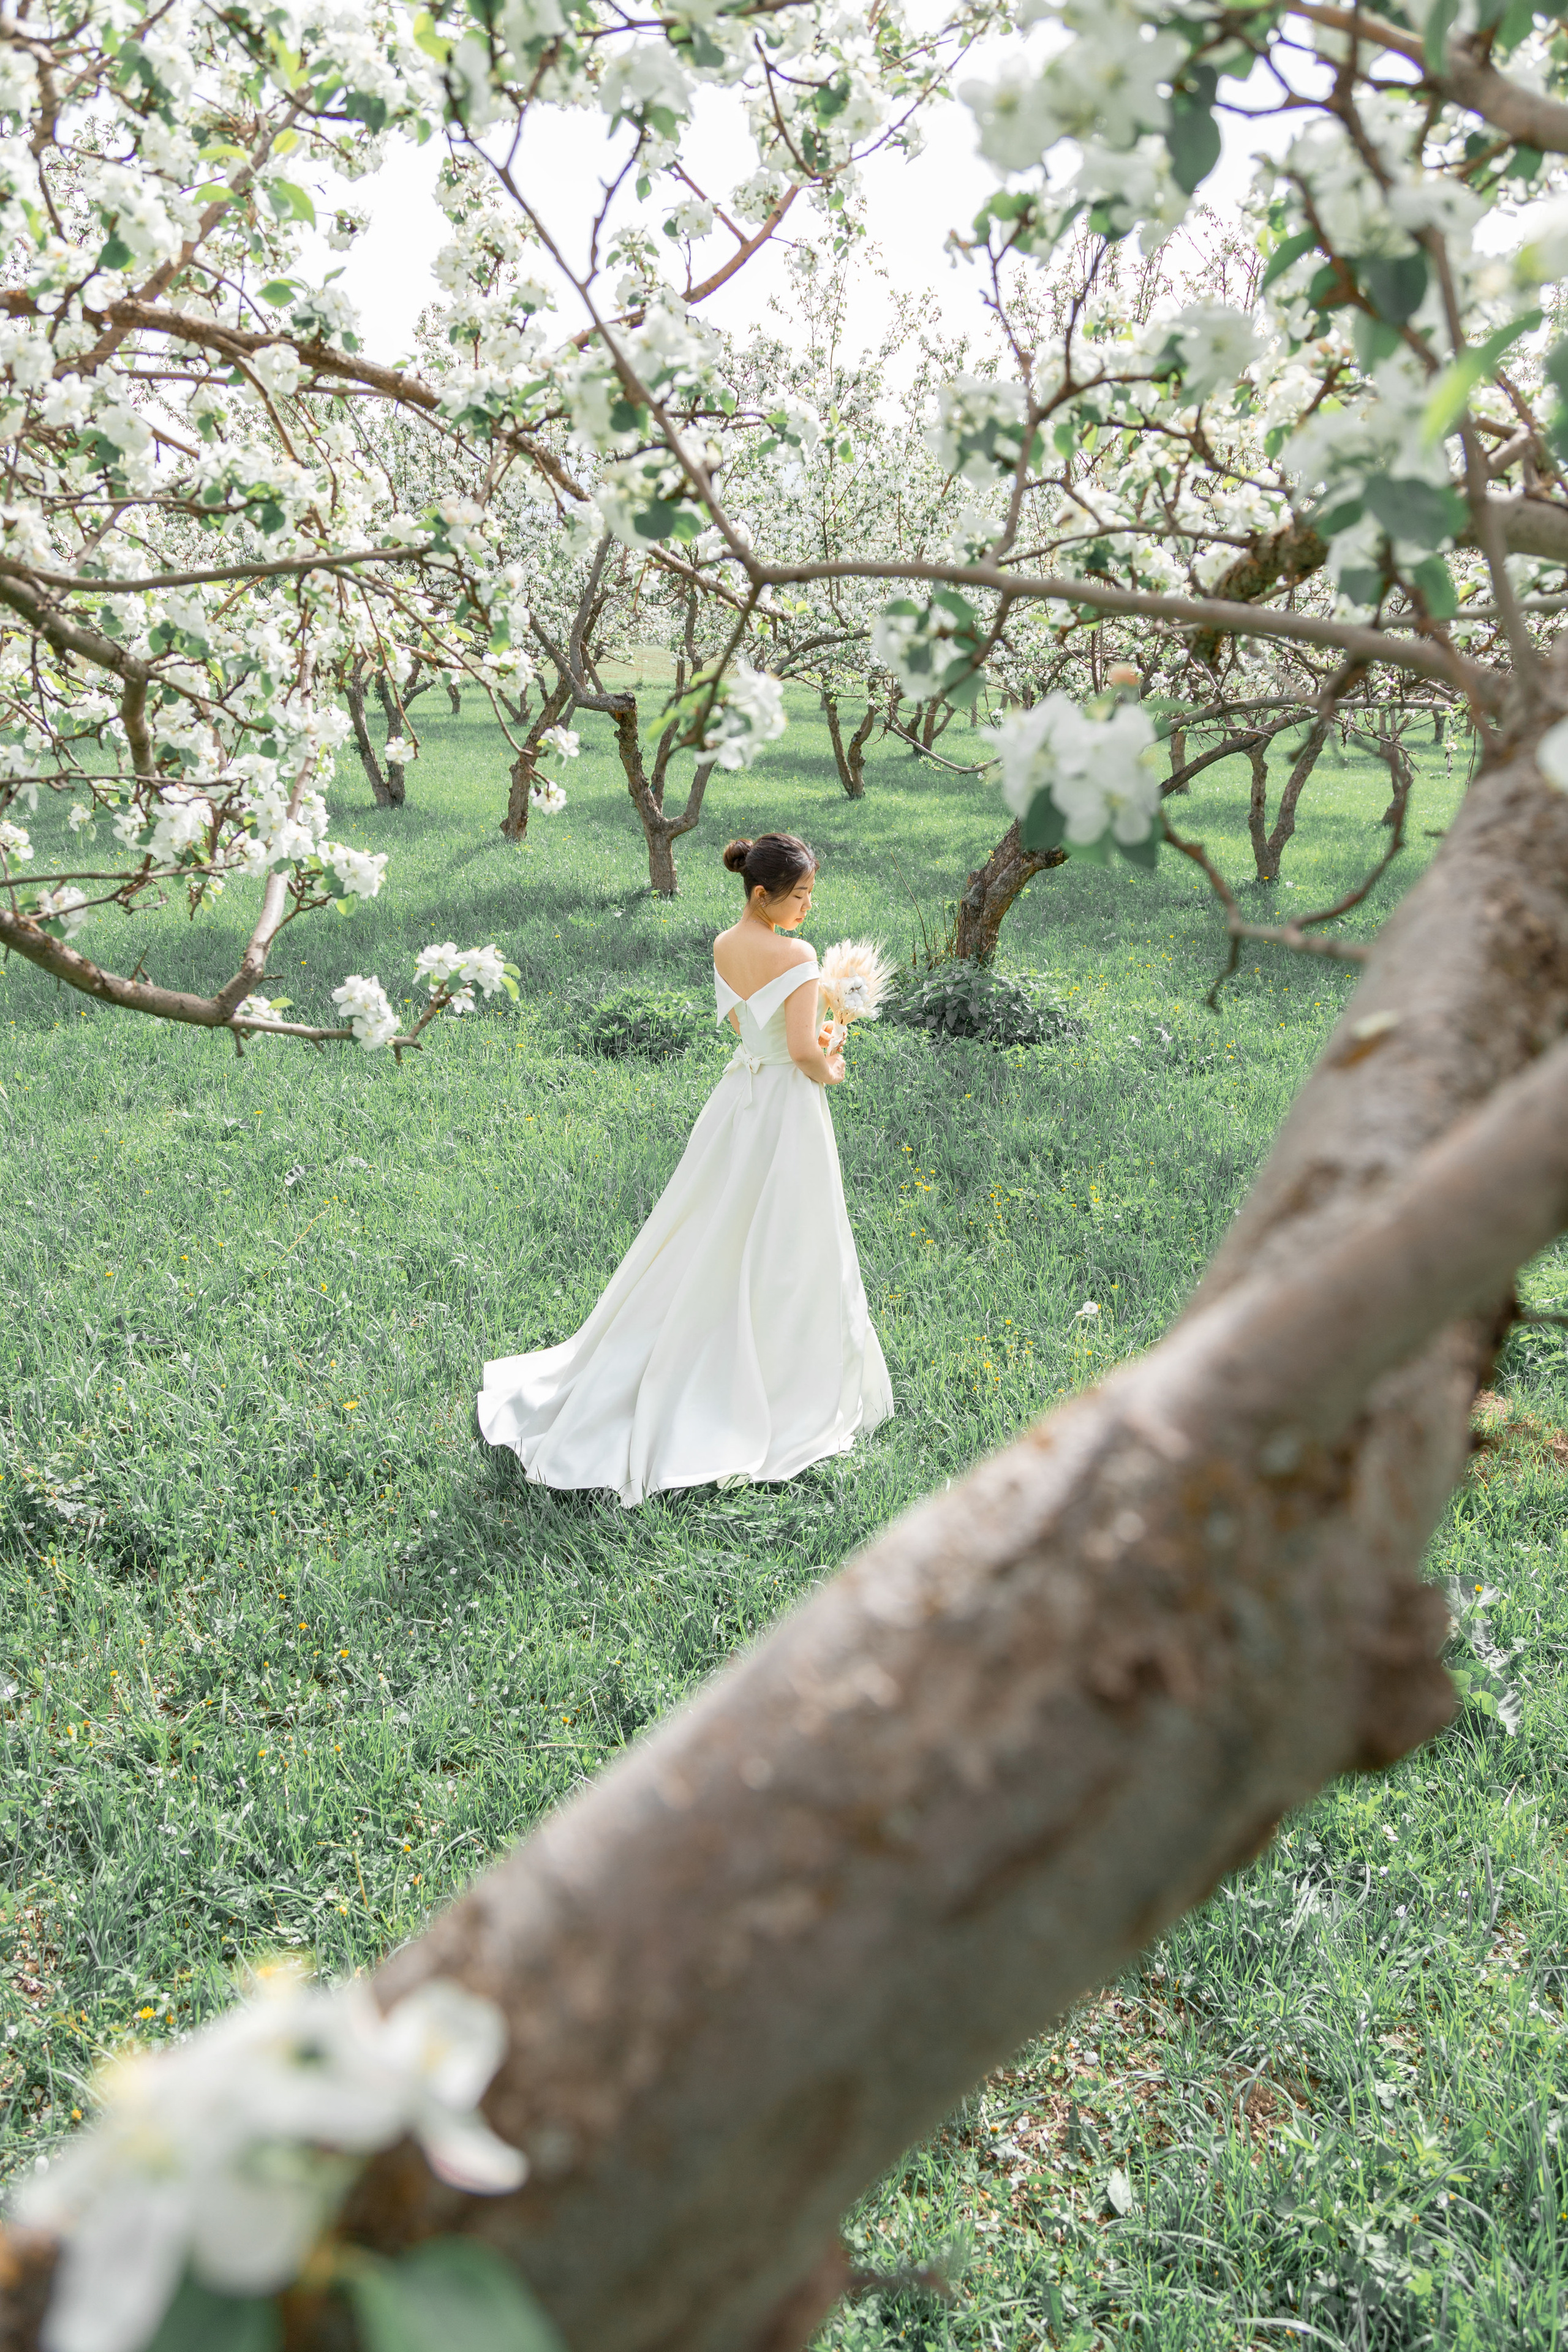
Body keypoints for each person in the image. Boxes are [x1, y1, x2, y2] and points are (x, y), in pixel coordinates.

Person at [477, 832, 894, 1506]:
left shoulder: (725, 944)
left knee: (711, 1221)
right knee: (787, 1234)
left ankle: (693, 1331)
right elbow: (798, 1049)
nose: (808, 907)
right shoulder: (798, 954)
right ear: (763, 895)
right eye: (800, 895)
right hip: (785, 1108)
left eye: (810, 894)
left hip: (736, 1100)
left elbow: (744, 1031)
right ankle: (775, 1372)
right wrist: (830, 1059)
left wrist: (809, 1039)